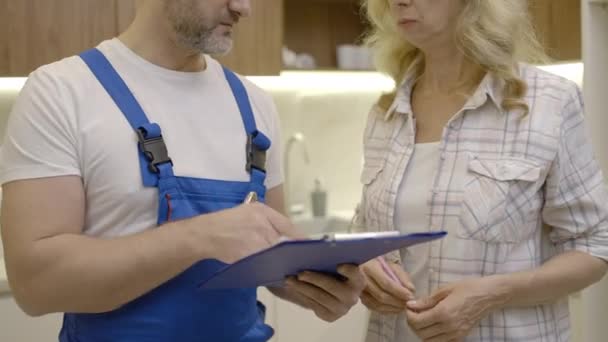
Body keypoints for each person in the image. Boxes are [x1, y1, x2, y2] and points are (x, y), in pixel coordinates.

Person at [0, 1, 366, 341]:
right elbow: (36, 285)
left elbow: (271, 255)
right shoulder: (61, 93)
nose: (244, 7)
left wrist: (323, 284)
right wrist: (198, 237)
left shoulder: (255, 105)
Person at [355, 0, 608, 341]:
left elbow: (594, 245)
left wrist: (495, 293)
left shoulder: (549, 102)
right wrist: (363, 269)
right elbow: (363, 231)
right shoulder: (384, 115)